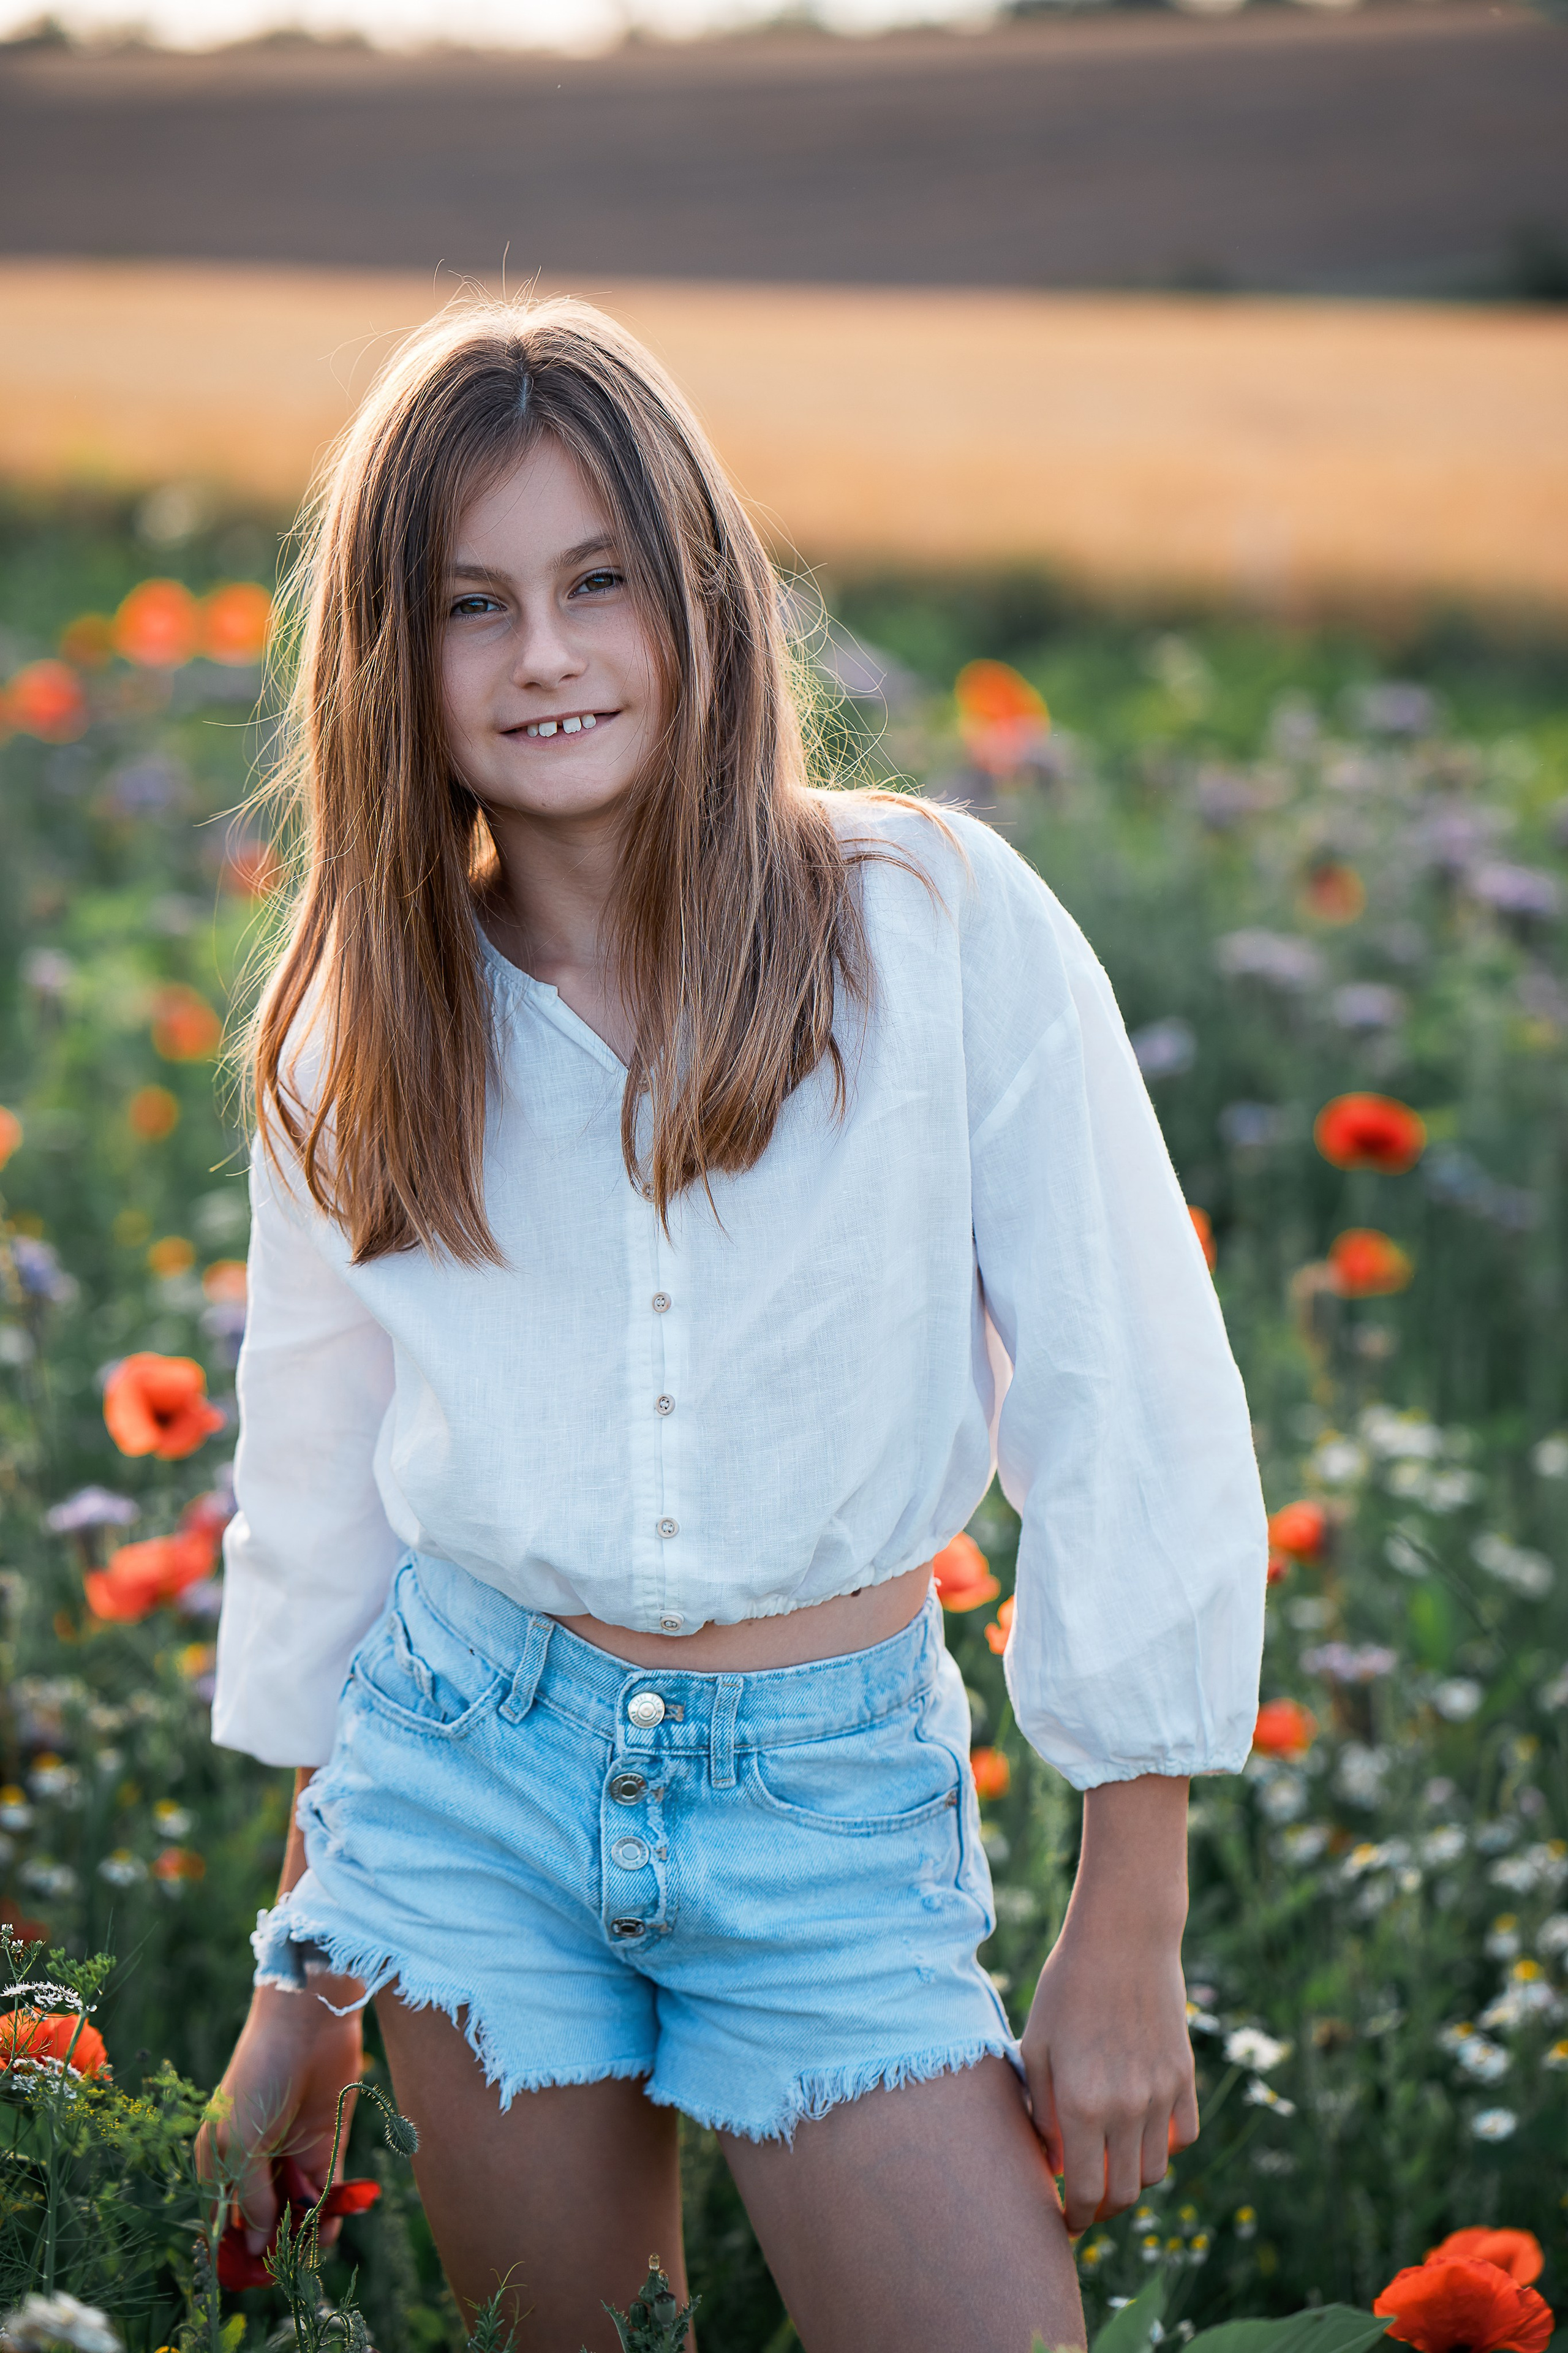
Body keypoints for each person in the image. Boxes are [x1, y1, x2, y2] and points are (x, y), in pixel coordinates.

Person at [196, 298, 1267, 2353]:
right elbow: (321, 1483)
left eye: (601, 581)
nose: (545, 655)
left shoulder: (931, 931)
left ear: (702, 594)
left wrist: (1130, 1906)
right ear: (387, 664)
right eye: (470, 604)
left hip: (832, 1808)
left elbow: (1131, 1392)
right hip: (469, 1785)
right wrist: (307, 1959)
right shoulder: (358, 1023)